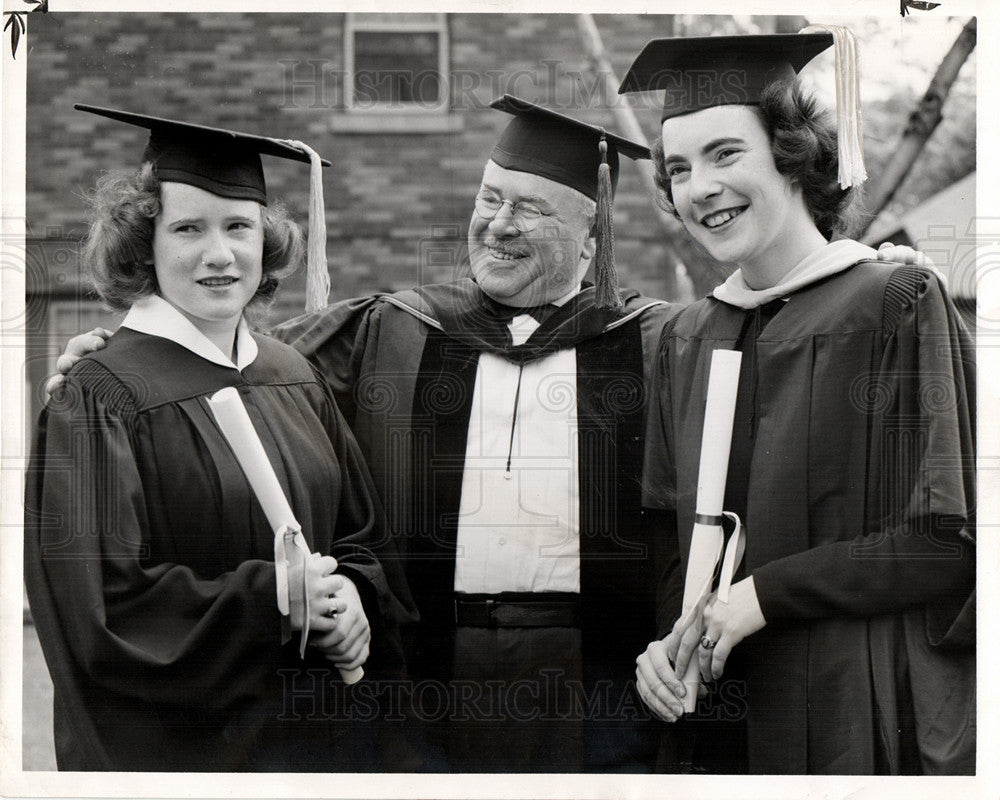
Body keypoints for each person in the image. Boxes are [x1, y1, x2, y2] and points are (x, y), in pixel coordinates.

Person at [50, 95, 934, 773]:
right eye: (489, 199)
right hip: (426, 682)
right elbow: (233, 371)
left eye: (533, 210)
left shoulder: (664, 339)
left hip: (598, 686)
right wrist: (113, 347)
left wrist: (861, 280)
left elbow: (787, 362)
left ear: (592, 240)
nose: (498, 226)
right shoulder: (389, 328)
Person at [619, 31, 976, 774]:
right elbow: (665, 541)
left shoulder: (896, 303)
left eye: (725, 154)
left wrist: (761, 596)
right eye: (678, 169)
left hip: (851, 709)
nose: (698, 188)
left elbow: (948, 542)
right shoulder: (686, 336)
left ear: (792, 155)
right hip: (713, 723)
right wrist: (666, 649)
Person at [24, 105, 416, 771]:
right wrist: (274, 600)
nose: (219, 253)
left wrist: (353, 594)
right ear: (143, 244)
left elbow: (360, 535)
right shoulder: (100, 398)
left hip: (320, 752)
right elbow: (101, 612)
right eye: (187, 228)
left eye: (238, 226)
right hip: (192, 760)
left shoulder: (294, 376)